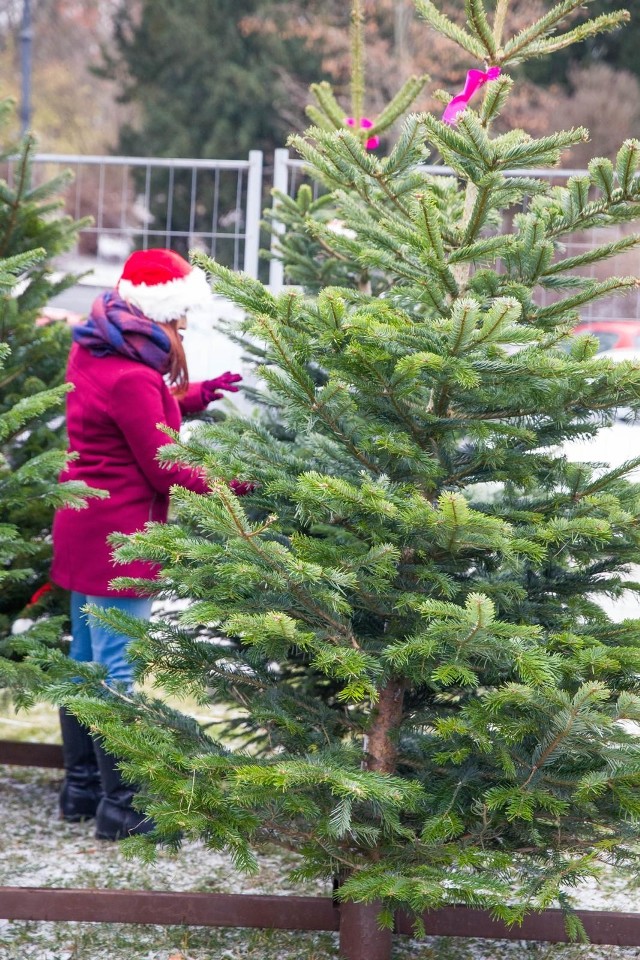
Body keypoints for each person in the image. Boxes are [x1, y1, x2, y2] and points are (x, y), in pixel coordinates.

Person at [51, 248, 243, 841]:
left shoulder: (97, 346)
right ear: (161, 311)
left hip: (83, 527)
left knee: (87, 662)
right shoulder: (135, 374)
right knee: (117, 669)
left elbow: (125, 418)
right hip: (119, 542)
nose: (183, 329)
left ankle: (81, 790)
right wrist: (240, 482)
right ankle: (124, 807)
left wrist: (194, 396)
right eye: (181, 317)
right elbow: (164, 467)